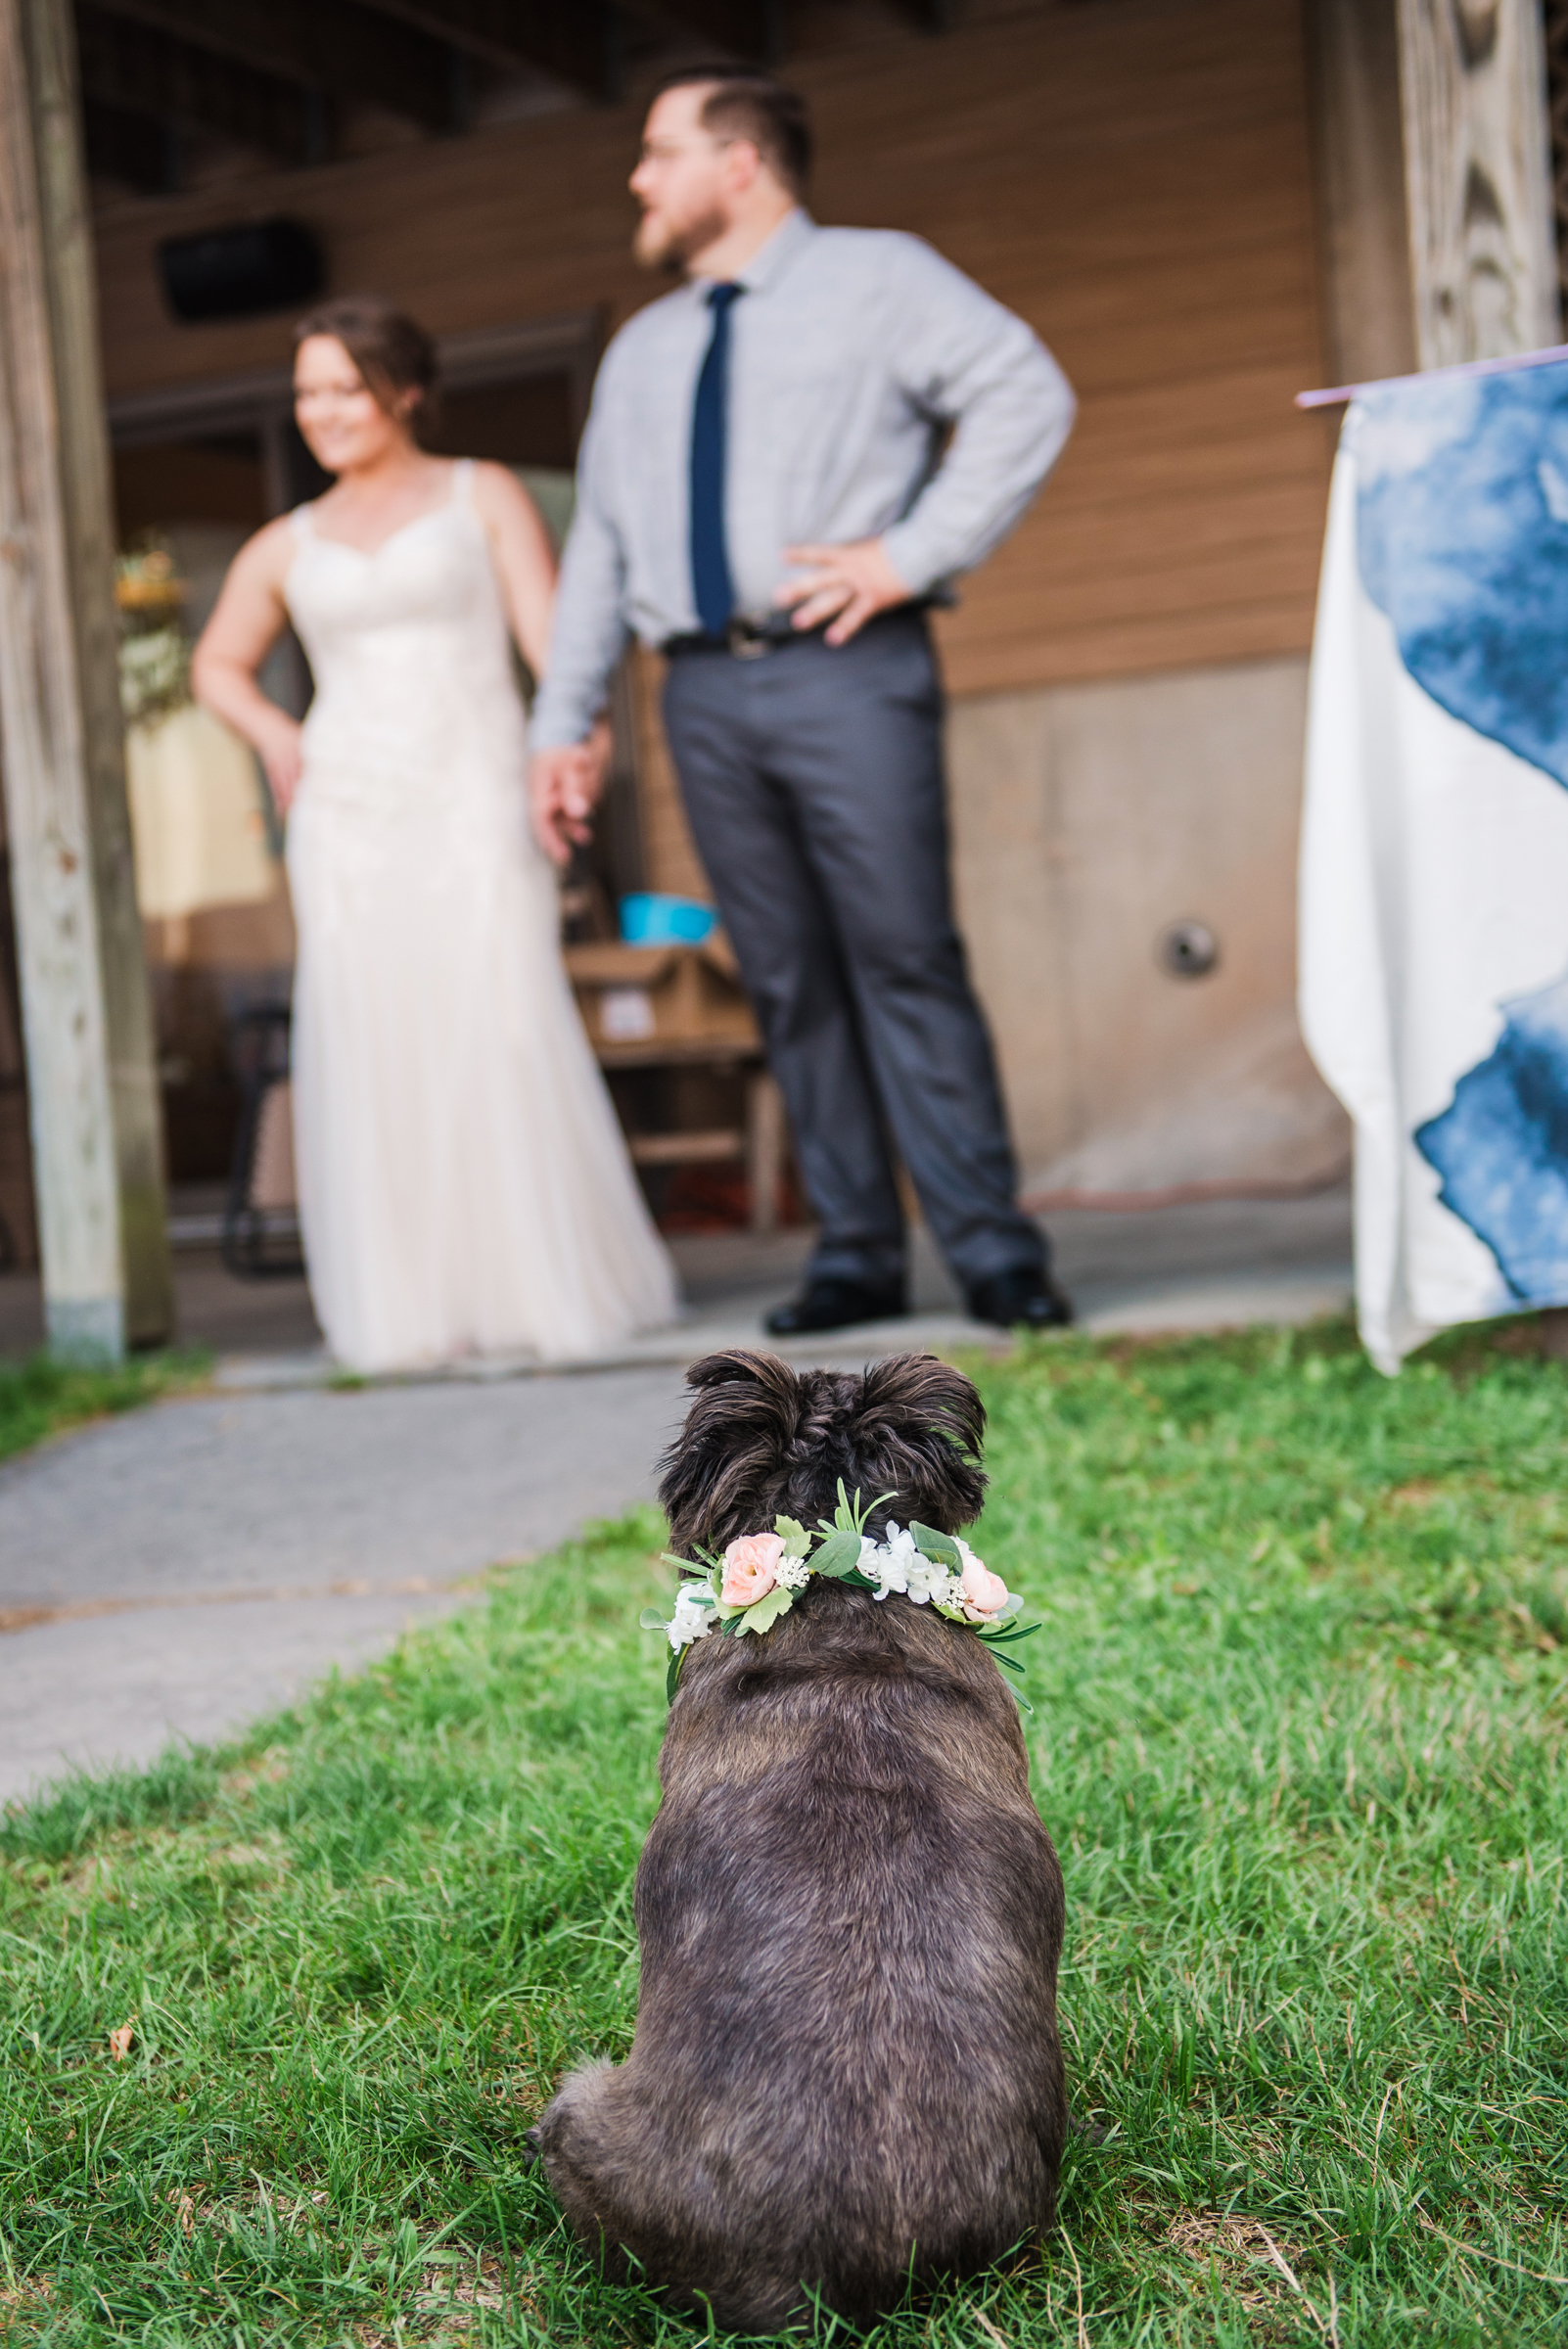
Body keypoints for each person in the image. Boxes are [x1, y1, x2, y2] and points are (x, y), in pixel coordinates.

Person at [530, 70, 1077, 1336]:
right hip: (700, 691)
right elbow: (602, 547)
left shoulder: (879, 278)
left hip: (849, 668)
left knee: (904, 956)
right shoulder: (643, 349)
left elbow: (1023, 393)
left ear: (741, 162)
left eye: (657, 151)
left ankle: (994, 1251)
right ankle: (855, 1253)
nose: (636, 178)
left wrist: (908, 555)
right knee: (784, 977)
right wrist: (561, 721)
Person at [192, 295, 677, 1372]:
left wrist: (578, 741)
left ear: (403, 391)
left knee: (497, 1018)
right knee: (377, 1038)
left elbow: (553, 640)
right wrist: (276, 732)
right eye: (307, 393)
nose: (322, 411)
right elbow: (214, 665)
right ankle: (417, 1307)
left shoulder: (482, 494)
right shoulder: (286, 543)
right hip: (350, 813)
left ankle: (535, 1291)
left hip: (474, 791)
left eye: (343, 388)